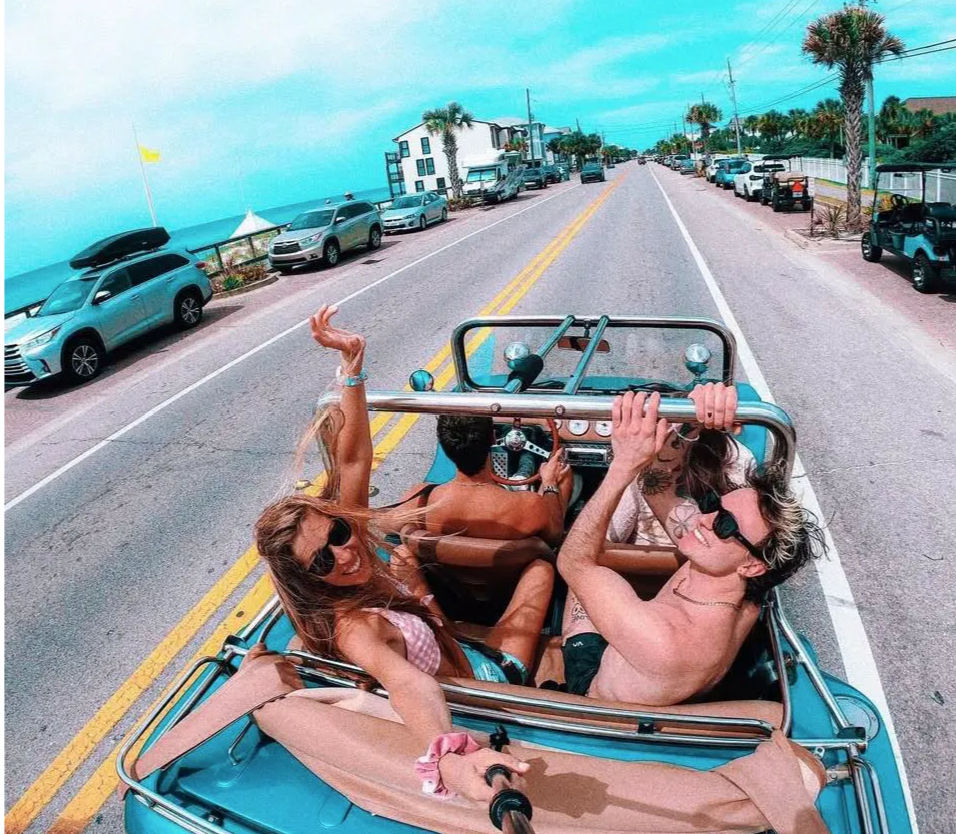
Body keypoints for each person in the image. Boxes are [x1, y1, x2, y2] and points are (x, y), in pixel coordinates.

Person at [255, 305, 551, 802]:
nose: (344, 554)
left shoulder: (355, 541)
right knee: (543, 567)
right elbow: (405, 683)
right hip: (487, 681)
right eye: (322, 563)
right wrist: (451, 755)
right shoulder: (353, 626)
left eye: (337, 534)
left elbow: (351, 459)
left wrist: (352, 365)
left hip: (457, 645)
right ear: (310, 582)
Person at [558, 388, 825, 706]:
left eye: (725, 523)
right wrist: (693, 417)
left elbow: (573, 562)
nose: (704, 519)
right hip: (642, 665)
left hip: (593, 694)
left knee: (584, 575)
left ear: (753, 566)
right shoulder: (732, 578)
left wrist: (621, 467)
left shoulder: (667, 641)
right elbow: (656, 482)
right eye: (714, 504)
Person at [607, 383, 754, 547]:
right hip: (717, 555)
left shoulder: (645, 464)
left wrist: (621, 464)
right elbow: (744, 537)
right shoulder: (740, 458)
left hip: (640, 562)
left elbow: (613, 536)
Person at [404, 415, 573, 546]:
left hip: (454, 580)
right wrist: (549, 483)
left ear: (443, 443)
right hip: (512, 581)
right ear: (493, 438)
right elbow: (554, 536)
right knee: (563, 474)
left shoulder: (421, 500)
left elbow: (386, 526)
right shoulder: (530, 505)